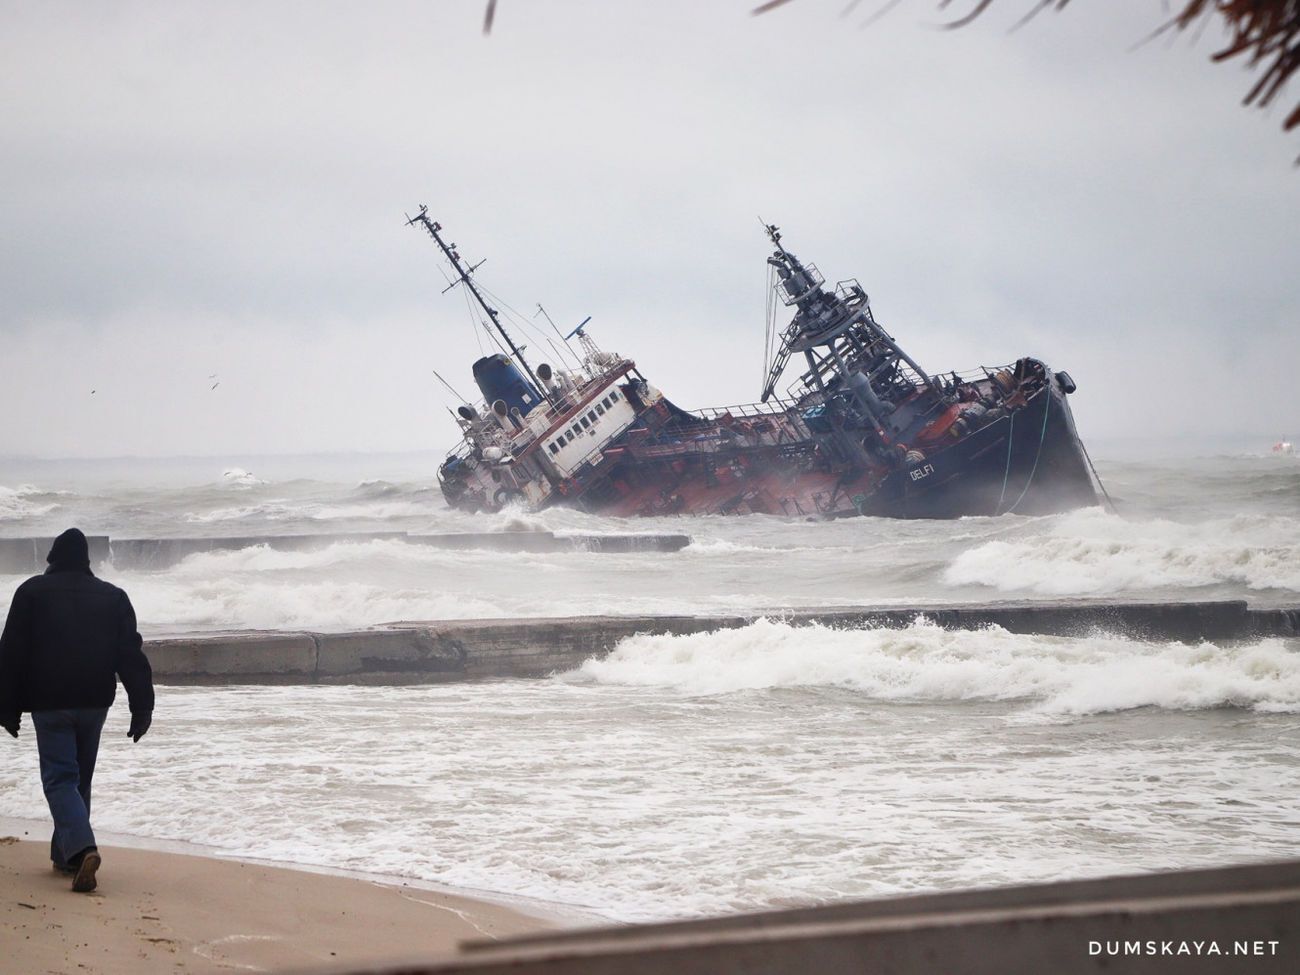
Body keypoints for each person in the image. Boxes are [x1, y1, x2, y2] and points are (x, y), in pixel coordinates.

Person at [0, 528, 154, 893]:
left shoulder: (31, 592)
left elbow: (10, 654)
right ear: (87, 561)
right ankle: (65, 856)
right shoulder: (113, 597)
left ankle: (83, 847)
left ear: (51, 558)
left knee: (59, 779)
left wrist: (6, 707)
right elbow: (130, 656)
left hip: (49, 702)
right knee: (79, 779)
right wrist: (141, 706)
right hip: (94, 701)